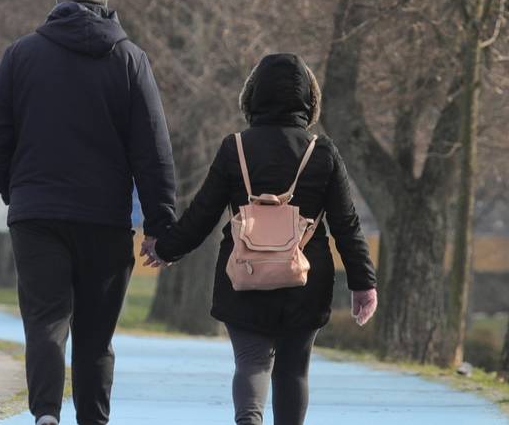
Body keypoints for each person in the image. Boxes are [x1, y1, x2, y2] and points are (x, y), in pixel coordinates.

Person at [0, 0, 177, 425]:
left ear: (59, 0)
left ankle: (46, 414)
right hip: (104, 219)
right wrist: (159, 225)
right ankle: (93, 419)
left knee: (45, 319)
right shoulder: (130, 61)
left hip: (37, 215)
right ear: (105, 3)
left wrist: (15, 188)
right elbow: (153, 149)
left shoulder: (21, 55)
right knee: (95, 334)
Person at [150, 53, 378, 425]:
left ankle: (249, 419)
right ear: (310, 99)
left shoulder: (235, 148)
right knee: (293, 371)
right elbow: (346, 224)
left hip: (244, 274)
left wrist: (165, 248)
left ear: (251, 95)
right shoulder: (322, 152)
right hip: (306, 278)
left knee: (252, 362)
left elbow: (203, 213)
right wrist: (363, 283)